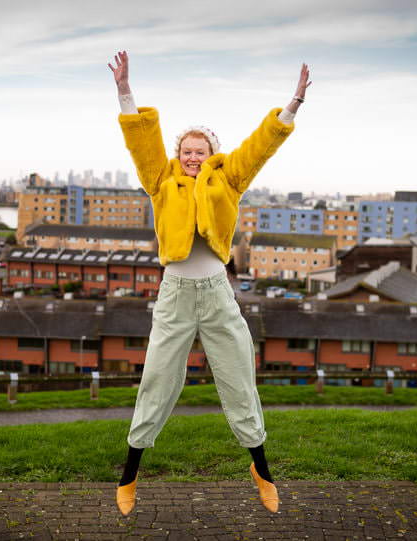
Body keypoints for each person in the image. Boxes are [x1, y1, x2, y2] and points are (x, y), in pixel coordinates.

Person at [108, 50, 310, 516]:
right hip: (175, 294)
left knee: (240, 377)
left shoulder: (229, 179)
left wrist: (293, 104)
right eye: (187, 151)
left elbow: (262, 145)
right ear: (178, 155)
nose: (193, 157)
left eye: (201, 151)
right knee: (157, 379)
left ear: (212, 155)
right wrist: (124, 92)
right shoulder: (161, 181)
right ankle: (130, 475)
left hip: (217, 294)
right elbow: (141, 143)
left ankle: (262, 472)